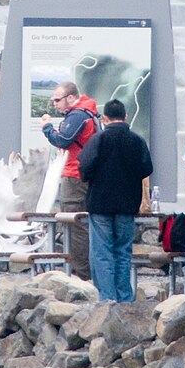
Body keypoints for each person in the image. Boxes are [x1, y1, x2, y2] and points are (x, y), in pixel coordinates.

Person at [77, 99, 153, 303]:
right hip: (127, 205)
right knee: (122, 252)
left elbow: (84, 167)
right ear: (125, 117)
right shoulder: (137, 140)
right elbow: (146, 169)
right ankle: (125, 298)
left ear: (105, 118)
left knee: (102, 252)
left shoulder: (98, 139)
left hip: (100, 204)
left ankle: (107, 299)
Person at [41, 81, 99, 282]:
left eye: (57, 99)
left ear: (71, 98)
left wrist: (47, 128)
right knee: (81, 225)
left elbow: (62, 140)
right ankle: (84, 271)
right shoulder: (88, 113)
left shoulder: (77, 115)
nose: (54, 103)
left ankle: (81, 274)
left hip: (74, 176)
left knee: (75, 225)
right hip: (82, 175)